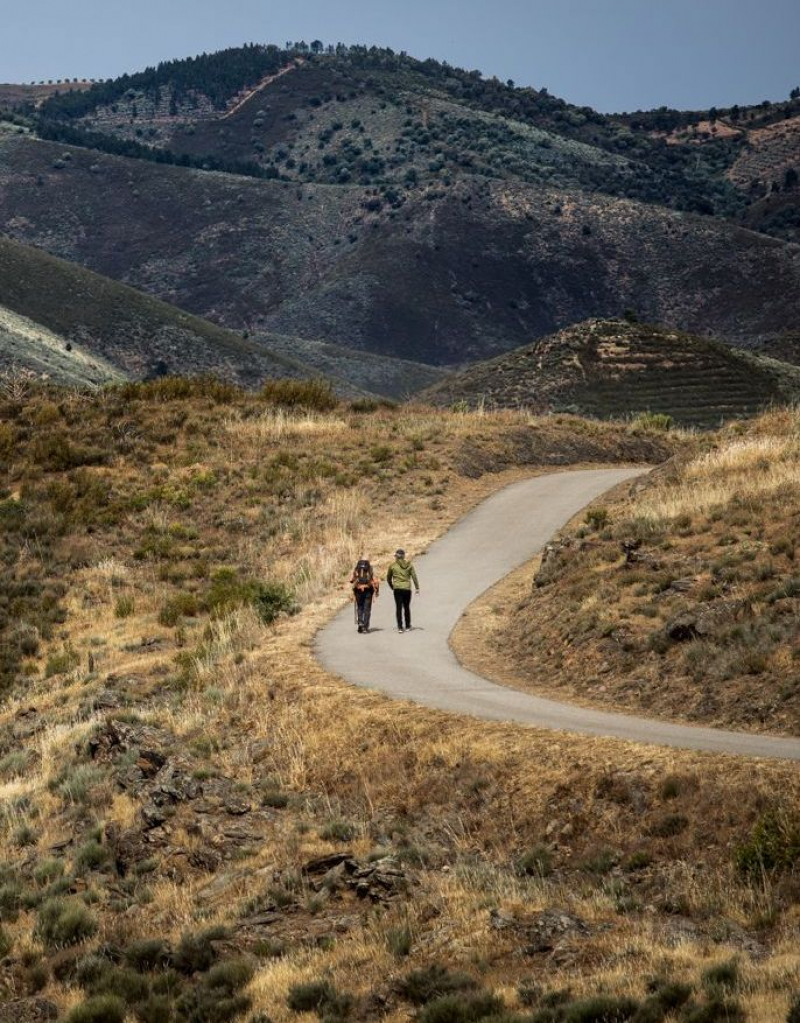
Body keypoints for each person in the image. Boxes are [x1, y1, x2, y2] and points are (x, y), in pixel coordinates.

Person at [386, 548, 420, 633]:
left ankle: (400, 627)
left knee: (398, 607)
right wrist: (417, 587)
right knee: (406, 607)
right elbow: (414, 576)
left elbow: (388, 578)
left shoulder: (392, 566)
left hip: (397, 588)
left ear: (396, 557)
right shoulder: (409, 565)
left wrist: (392, 586)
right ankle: (408, 626)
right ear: (404, 556)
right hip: (407, 589)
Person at [350, 556, 379, 634]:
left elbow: (351, 580)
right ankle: (365, 627)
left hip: (358, 591)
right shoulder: (370, 569)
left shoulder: (356, 569)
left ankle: (360, 623)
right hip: (368, 591)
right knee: (367, 609)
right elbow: (375, 581)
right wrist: (377, 591)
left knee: (360, 607)